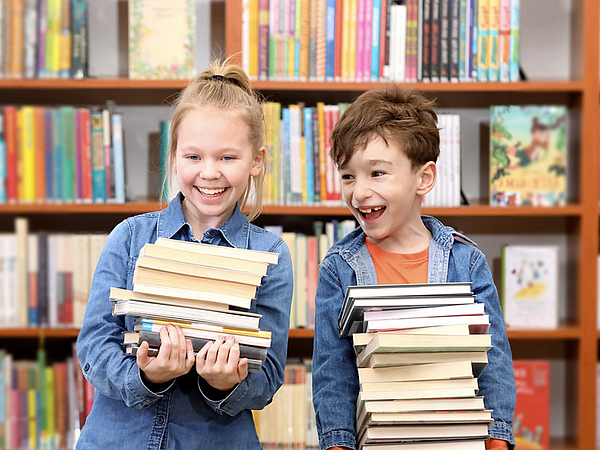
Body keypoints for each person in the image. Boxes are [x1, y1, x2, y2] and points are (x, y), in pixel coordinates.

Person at [76, 60, 293, 449]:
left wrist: (227, 382)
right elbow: (94, 344)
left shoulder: (270, 253)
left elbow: (270, 375)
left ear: (256, 161)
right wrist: (146, 378)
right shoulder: (129, 237)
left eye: (227, 158)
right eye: (193, 157)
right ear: (174, 157)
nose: (209, 173)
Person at [312, 86, 516, 450]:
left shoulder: (466, 262)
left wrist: (496, 436)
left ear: (423, 178)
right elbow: (333, 372)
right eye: (348, 176)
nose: (359, 193)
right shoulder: (338, 269)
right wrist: (337, 442)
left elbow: (493, 359)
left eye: (377, 173)